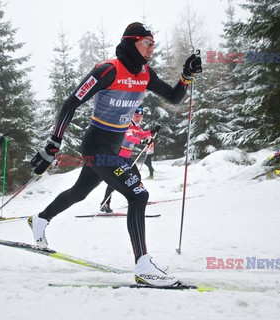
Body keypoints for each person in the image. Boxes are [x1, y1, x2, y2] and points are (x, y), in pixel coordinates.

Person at [30, 22, 202, 286]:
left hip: (112, 147)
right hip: (96, 145)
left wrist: (186, 75)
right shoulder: (108, 70)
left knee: (79, 192)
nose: (151, 48)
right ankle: (143, 266)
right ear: (131, 42)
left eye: (153, 43)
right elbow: (71, 102)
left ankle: (40, 219)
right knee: (138, 194)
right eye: (146, 42)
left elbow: (174, 97)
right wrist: (54, 142)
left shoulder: (145, 73)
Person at [99, 106, 160, 213]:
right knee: (115, 179)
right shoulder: (127, 124)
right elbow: (129, 138)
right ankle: (105, 203)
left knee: (137, 176)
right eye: (137, 116)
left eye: (141, 116)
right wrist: (142, 142)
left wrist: (152, 131)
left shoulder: (136, 126)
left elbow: (140, 134)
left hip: (127, 158)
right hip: (119, 158)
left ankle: (138, 198)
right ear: (132, 115)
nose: (139, 118)